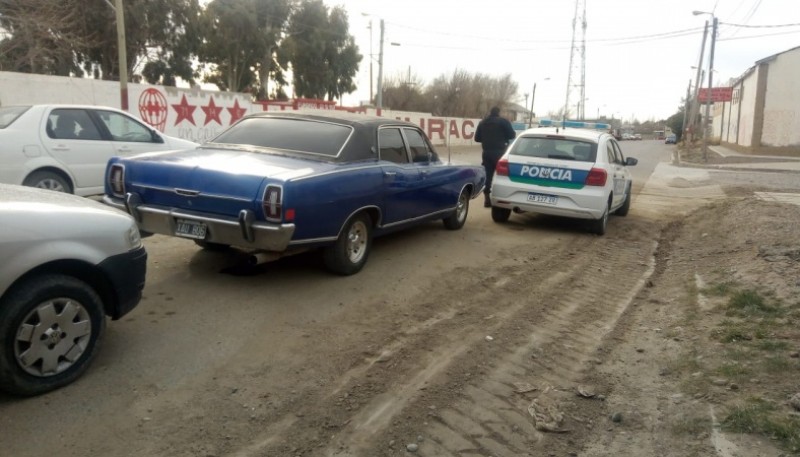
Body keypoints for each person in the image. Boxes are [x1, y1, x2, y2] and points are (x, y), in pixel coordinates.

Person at [475, 106, 516, 207]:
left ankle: (486, 199)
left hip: (486, 152)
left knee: (488, 176)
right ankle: (500, 199)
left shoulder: (482, 122)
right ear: (499, 113)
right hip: (500, 152)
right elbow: (512, 135)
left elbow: (477, 138)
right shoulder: (503, 122)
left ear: (490, 112)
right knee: (502, 176)